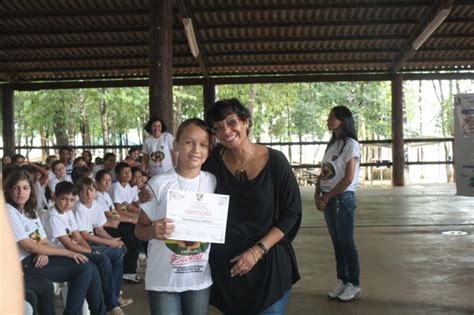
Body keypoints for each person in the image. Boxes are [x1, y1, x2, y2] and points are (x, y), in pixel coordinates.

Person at [203, 99, 302, 314]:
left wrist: (258, 251)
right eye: (218, 127)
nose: (226, 131)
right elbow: (188, 187)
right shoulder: (210, 162)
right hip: (227, 269)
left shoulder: (276, 161)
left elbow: (292, 212)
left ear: (246, 122)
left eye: (231, 122)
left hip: (269, 265)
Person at [135, 118, 216, 315]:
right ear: (175, 144)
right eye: (189, 142)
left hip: (199, 279)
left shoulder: (212, 182)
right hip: (163, 280)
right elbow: (139, 230)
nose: (196, 149)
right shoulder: (158, 183)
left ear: (209, 149)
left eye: (203, 144)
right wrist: (153, 231)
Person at [4, 170, 107, 315]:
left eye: (25, 188)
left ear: (30, 190)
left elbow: (43, 240)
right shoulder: (8, 211)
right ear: (9, 190)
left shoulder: (28, 210)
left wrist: (42, 250)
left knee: (89, 265)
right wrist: (68, 252)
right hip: (24, 264)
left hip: (37, 258)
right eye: (16, 188)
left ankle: (98, 312)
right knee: (84, 267)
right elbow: (27, 245)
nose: (21, 192)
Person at [44, 181, 126, 314]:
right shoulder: (54, 216)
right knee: (101, 260)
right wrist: (92, 251)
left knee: (113, 255)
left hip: (74, 249)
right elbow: (69, 244)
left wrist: (91, 251)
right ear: (55, 197)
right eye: (64, 199)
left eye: (71, 200)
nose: (68, 203)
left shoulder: (68, 213)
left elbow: (79, 237)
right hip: (61, 254)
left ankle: (110, 302)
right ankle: (110, 304)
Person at [314, 105, 361, 302]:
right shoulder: (332, 144)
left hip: (342, 198)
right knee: (337, 244)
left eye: (332, 117)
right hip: (330, 198)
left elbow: (348, 178)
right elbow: (324, 172)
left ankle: (354, 284)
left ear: (343, 120)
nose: (328, 119)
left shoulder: (351, 144)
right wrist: (318, 193)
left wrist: (329, 195)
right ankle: (342, 280)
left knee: (347, 243)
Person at [110, 162, 142, 283]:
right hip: (112, 222)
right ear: (118, 174)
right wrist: (132, 219)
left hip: (120, 218)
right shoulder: (115, 187)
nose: (129, 174)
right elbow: (116, 211)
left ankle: (129, 271)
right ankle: (127, 271)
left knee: (138, 236)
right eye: (125, 172)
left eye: (129, 172)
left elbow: (127, 206)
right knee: (132, 236)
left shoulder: (128, 187)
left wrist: (139, 214)